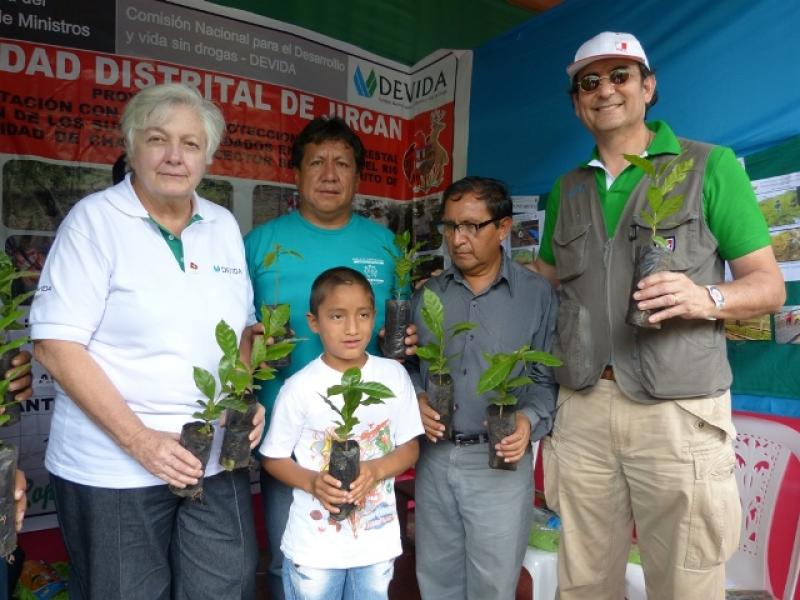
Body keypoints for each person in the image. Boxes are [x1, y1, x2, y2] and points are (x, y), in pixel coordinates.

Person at [533, 32, 786, 600]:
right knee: (583, 582)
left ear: (648, 86)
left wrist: (707, 299)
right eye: (589, 82)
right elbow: (545, 287)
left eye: (620, 75)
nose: (605, 90)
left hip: (678, 414)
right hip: (583, 408)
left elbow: (768, 287)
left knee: (686, 584)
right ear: (577, 102)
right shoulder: (567, 188)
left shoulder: (709, 166)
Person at [28, 83, 264, 600]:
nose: (175, 157)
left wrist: (242, 400)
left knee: (225, 585)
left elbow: (245, 335)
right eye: (159, 140)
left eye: (191, 144)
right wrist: (141, 441)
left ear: (208, 156)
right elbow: (55, 345)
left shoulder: (222, 225)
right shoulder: (94, 222)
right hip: (113, 466)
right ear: (132, 147)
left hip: (212, 456)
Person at [244, 116, 415, 599]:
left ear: (358, 177)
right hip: (289, 431)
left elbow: (398, 334)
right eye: (316, 162)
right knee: (291, 561)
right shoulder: (260, 243)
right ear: (296, 174)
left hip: (367, 440)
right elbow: (237, 331)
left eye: (342, 163)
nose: (329, 173)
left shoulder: (384, 246)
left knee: (368, 561)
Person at [409, 176, 559, 600]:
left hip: (498, 461)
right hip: (435, 458)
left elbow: (545, 380)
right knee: (436, 580)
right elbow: (408, 368)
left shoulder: (536, 296)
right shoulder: (428, 296)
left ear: (504, 228)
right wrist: (417, 396)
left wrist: (528, 421)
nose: (458, 239)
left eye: (472, 226)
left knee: (493, 585)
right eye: (451, 226)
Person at [261, 266, 423, 600]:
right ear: (313, 321)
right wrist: (311, 482)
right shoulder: (300, 387)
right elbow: (273, 458)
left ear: (375, 316)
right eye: (337, 316)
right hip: (315, 549)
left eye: (362, 314)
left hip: (375, 544)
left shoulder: (393, 377)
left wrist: (376, 469)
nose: (352, 328)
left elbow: (410, 448)